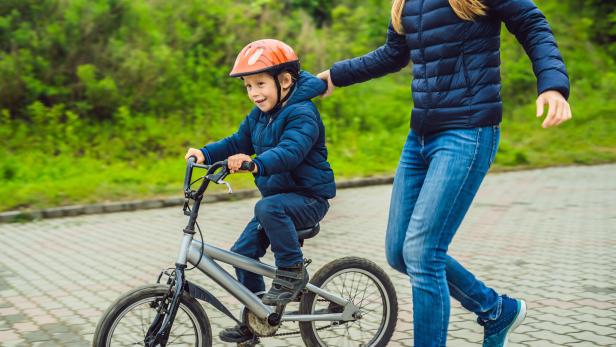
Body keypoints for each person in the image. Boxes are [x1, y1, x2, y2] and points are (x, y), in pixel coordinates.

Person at [317, 0, 571, 346]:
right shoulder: (406, 3)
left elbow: (531, 23)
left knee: (423, 252)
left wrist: (552, 83)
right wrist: (336, 75)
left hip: (468, 131)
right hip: (420, 135)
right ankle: (495, 309)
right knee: (399, 251)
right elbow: (394, 54)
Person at [185, 39, 336, 343]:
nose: (254, 93)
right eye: (248, 86)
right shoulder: (260, 116)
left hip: (308, 198)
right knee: (242, 255)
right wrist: (204, 153)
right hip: (279, 202)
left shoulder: (302, 113)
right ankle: (258, 318)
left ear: (284, 81)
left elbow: (290, 152)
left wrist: (254, 165)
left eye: (260, 84)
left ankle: (291, 270)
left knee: (266, 208)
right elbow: (235, 142)